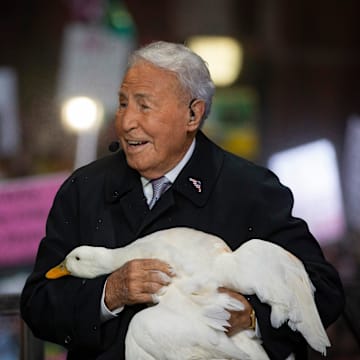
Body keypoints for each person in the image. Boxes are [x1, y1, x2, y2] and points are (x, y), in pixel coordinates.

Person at [21, 41, 344, 360]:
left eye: (144, 105)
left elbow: (324, 289)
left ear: (192, 114)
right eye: (122, 104)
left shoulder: (249, 189)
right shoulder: (85, 189)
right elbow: (38, 303)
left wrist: (253, 318)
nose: (126, 121)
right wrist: (110, 293)